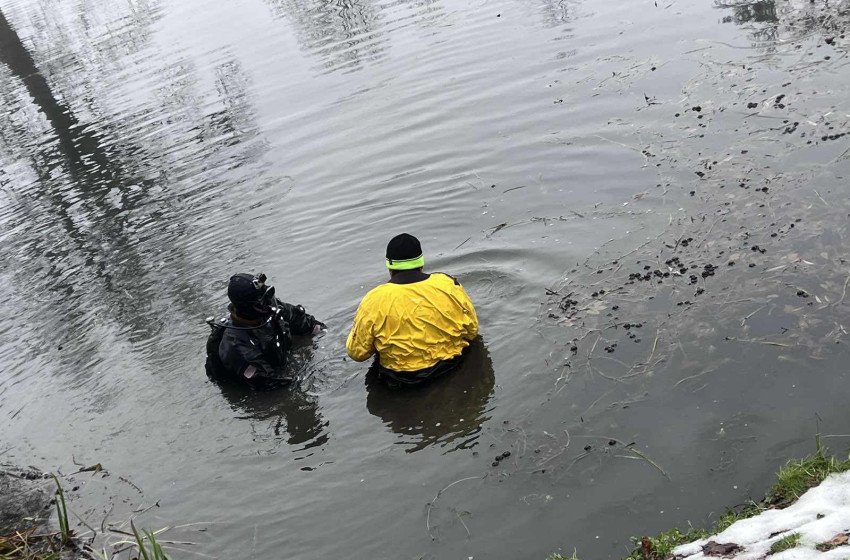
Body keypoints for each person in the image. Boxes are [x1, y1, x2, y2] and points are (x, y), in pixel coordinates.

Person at [346, 233, 478, 385]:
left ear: (390, 267)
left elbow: (357, 353)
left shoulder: (373, 300)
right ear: (421, 263)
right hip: (452, 365)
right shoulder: (448, 285)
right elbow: (472, 330)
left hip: (400, 379)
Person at [205, 273, 324, 384]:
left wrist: (329, 342)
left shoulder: (270, 307)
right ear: (246, 308)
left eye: (267, 295)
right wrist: (306, 374)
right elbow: (271, 384)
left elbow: (309, 324)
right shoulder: (237, 347)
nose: (269, 303)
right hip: (261, 379)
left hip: (280, 357)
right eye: (261, 301)